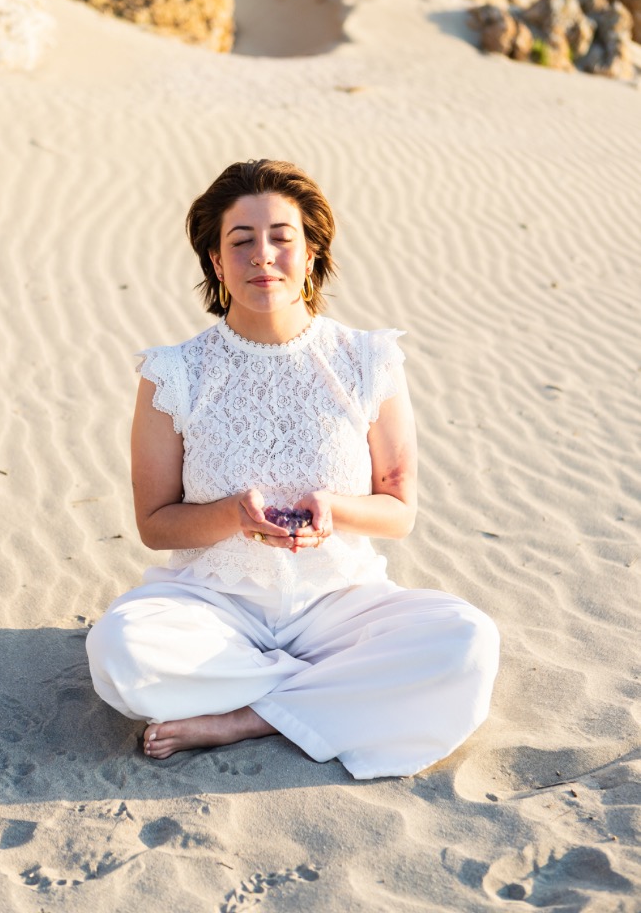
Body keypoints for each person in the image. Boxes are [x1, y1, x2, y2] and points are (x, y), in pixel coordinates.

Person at [86, 159, 499, 780]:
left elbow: (399, 508)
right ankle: (341, 693)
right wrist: (231, 516)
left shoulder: (367, 359)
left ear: (311, 254)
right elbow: (155, 524)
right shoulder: (173, 373)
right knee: (120, 649)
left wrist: (334, 510)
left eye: (282, 237)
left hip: (340, 604)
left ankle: (249, 715)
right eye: (241, 241)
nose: (263, 255)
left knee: (467, 641)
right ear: (215, 261)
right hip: (215, 604)